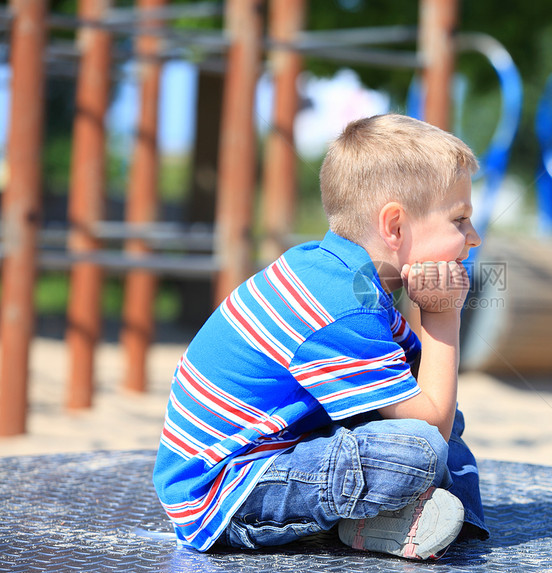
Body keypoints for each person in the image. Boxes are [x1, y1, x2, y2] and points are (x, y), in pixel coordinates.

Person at [152, 114, 489, 560]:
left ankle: (427, 517)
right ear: (394, 227)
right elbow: (431, 426)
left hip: (281, 457)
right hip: (226, 490)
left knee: (440, 421)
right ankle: (405, 518)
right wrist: (442, 316)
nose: (475, 237)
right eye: (460, 219)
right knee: (421, 447)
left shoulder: (346, 276)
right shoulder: (339, 305)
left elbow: (422, 390)